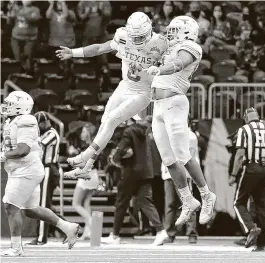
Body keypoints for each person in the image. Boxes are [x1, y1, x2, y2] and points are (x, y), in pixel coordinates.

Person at [55, 12, 168, 179]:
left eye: (140, 37)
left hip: (143, 91)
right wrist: (73, 52)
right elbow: (100, 48)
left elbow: (160, 58)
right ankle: (87, 167)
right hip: (124, 86)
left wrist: (146, 62)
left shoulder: (159, 41)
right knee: (104, 123)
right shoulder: (122, 36)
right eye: (134, 37)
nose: (136, 41)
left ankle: (86, 155)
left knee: (113, 119)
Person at [144, 16, 216, 226]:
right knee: (168, 160)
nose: (170, 33)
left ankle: (206, 194)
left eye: (175, 30)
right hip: (158, 106)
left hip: (175, 102)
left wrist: (159, 68)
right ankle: (187, 200)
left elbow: (178, 64)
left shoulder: (191, 46)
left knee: (183, 155)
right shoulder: (168, 46)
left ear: (187, 32)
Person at [0, 91, 79, 257]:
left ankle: (16, 247)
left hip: (26, 169)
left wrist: (4, 155)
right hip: (22, 169)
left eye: (10, 103)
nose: (6, 106)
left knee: (10, 206)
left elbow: (23, 150)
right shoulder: (12, 120)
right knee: (31, 210)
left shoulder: (26, 120)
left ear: (20, 106)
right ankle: (68, 227)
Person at [102, 115, 168, 246]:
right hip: (146, 173)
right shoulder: (146, 133)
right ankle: (161, 231)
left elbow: (125, 151)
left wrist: (114, 160)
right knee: (145, 202)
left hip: (130, 173)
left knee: (121, 203)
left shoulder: (128, 131)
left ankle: (115, 235)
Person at [228, 107, 265, 251]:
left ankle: (251, 228)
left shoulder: (244, 129)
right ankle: (261, 245)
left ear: (246, 118)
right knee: (263, 208)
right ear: (258, 116)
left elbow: (240, 154)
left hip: (251, 168)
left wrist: (233, 174)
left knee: (238, 202)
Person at [27, 111, 61, 246]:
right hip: (42, 169)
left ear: (44, 122)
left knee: (43, 204)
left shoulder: (52, 134)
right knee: (40, 204)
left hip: (48, 169)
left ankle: (42, 237)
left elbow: (39, 145)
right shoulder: (44, 133)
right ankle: (65, 227)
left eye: (38, 125)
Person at [162, 125, 199, 244]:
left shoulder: (190, 136)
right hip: (169, 174)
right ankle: (169, 233)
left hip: (184, 174)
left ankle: (191, 233)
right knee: (169, 205)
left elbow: (192, 157)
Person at [70, 123, 99, 240]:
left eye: (83, 132)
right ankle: (88, 231)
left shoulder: (88, 147)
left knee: (76, 204)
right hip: (94, 175)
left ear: (88, 133)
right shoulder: (95, 145)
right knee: (86, 203)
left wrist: (72, 153)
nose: (81, 134)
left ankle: (92, 222)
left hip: (86, 175)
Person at [7, 0, 41, 74]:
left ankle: (28, 75)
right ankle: (19, 76)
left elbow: (33, 19)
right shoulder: (17, 8)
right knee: (17, 59)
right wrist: (10, 12)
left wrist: (19, 11)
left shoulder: (35, 9)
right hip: (16, 37)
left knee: (27, 58)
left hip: (30, 39)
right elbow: (9, 22)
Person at [46, 0, 76, 75]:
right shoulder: (52, 12)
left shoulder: (70, 13)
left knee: (66, 66)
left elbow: (66, 15)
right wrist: (52, 4)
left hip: (67, 43)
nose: (59, 5)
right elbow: (47, 16)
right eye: (58, 3)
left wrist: (62, 3)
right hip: (54, 42)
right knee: (57, 65)